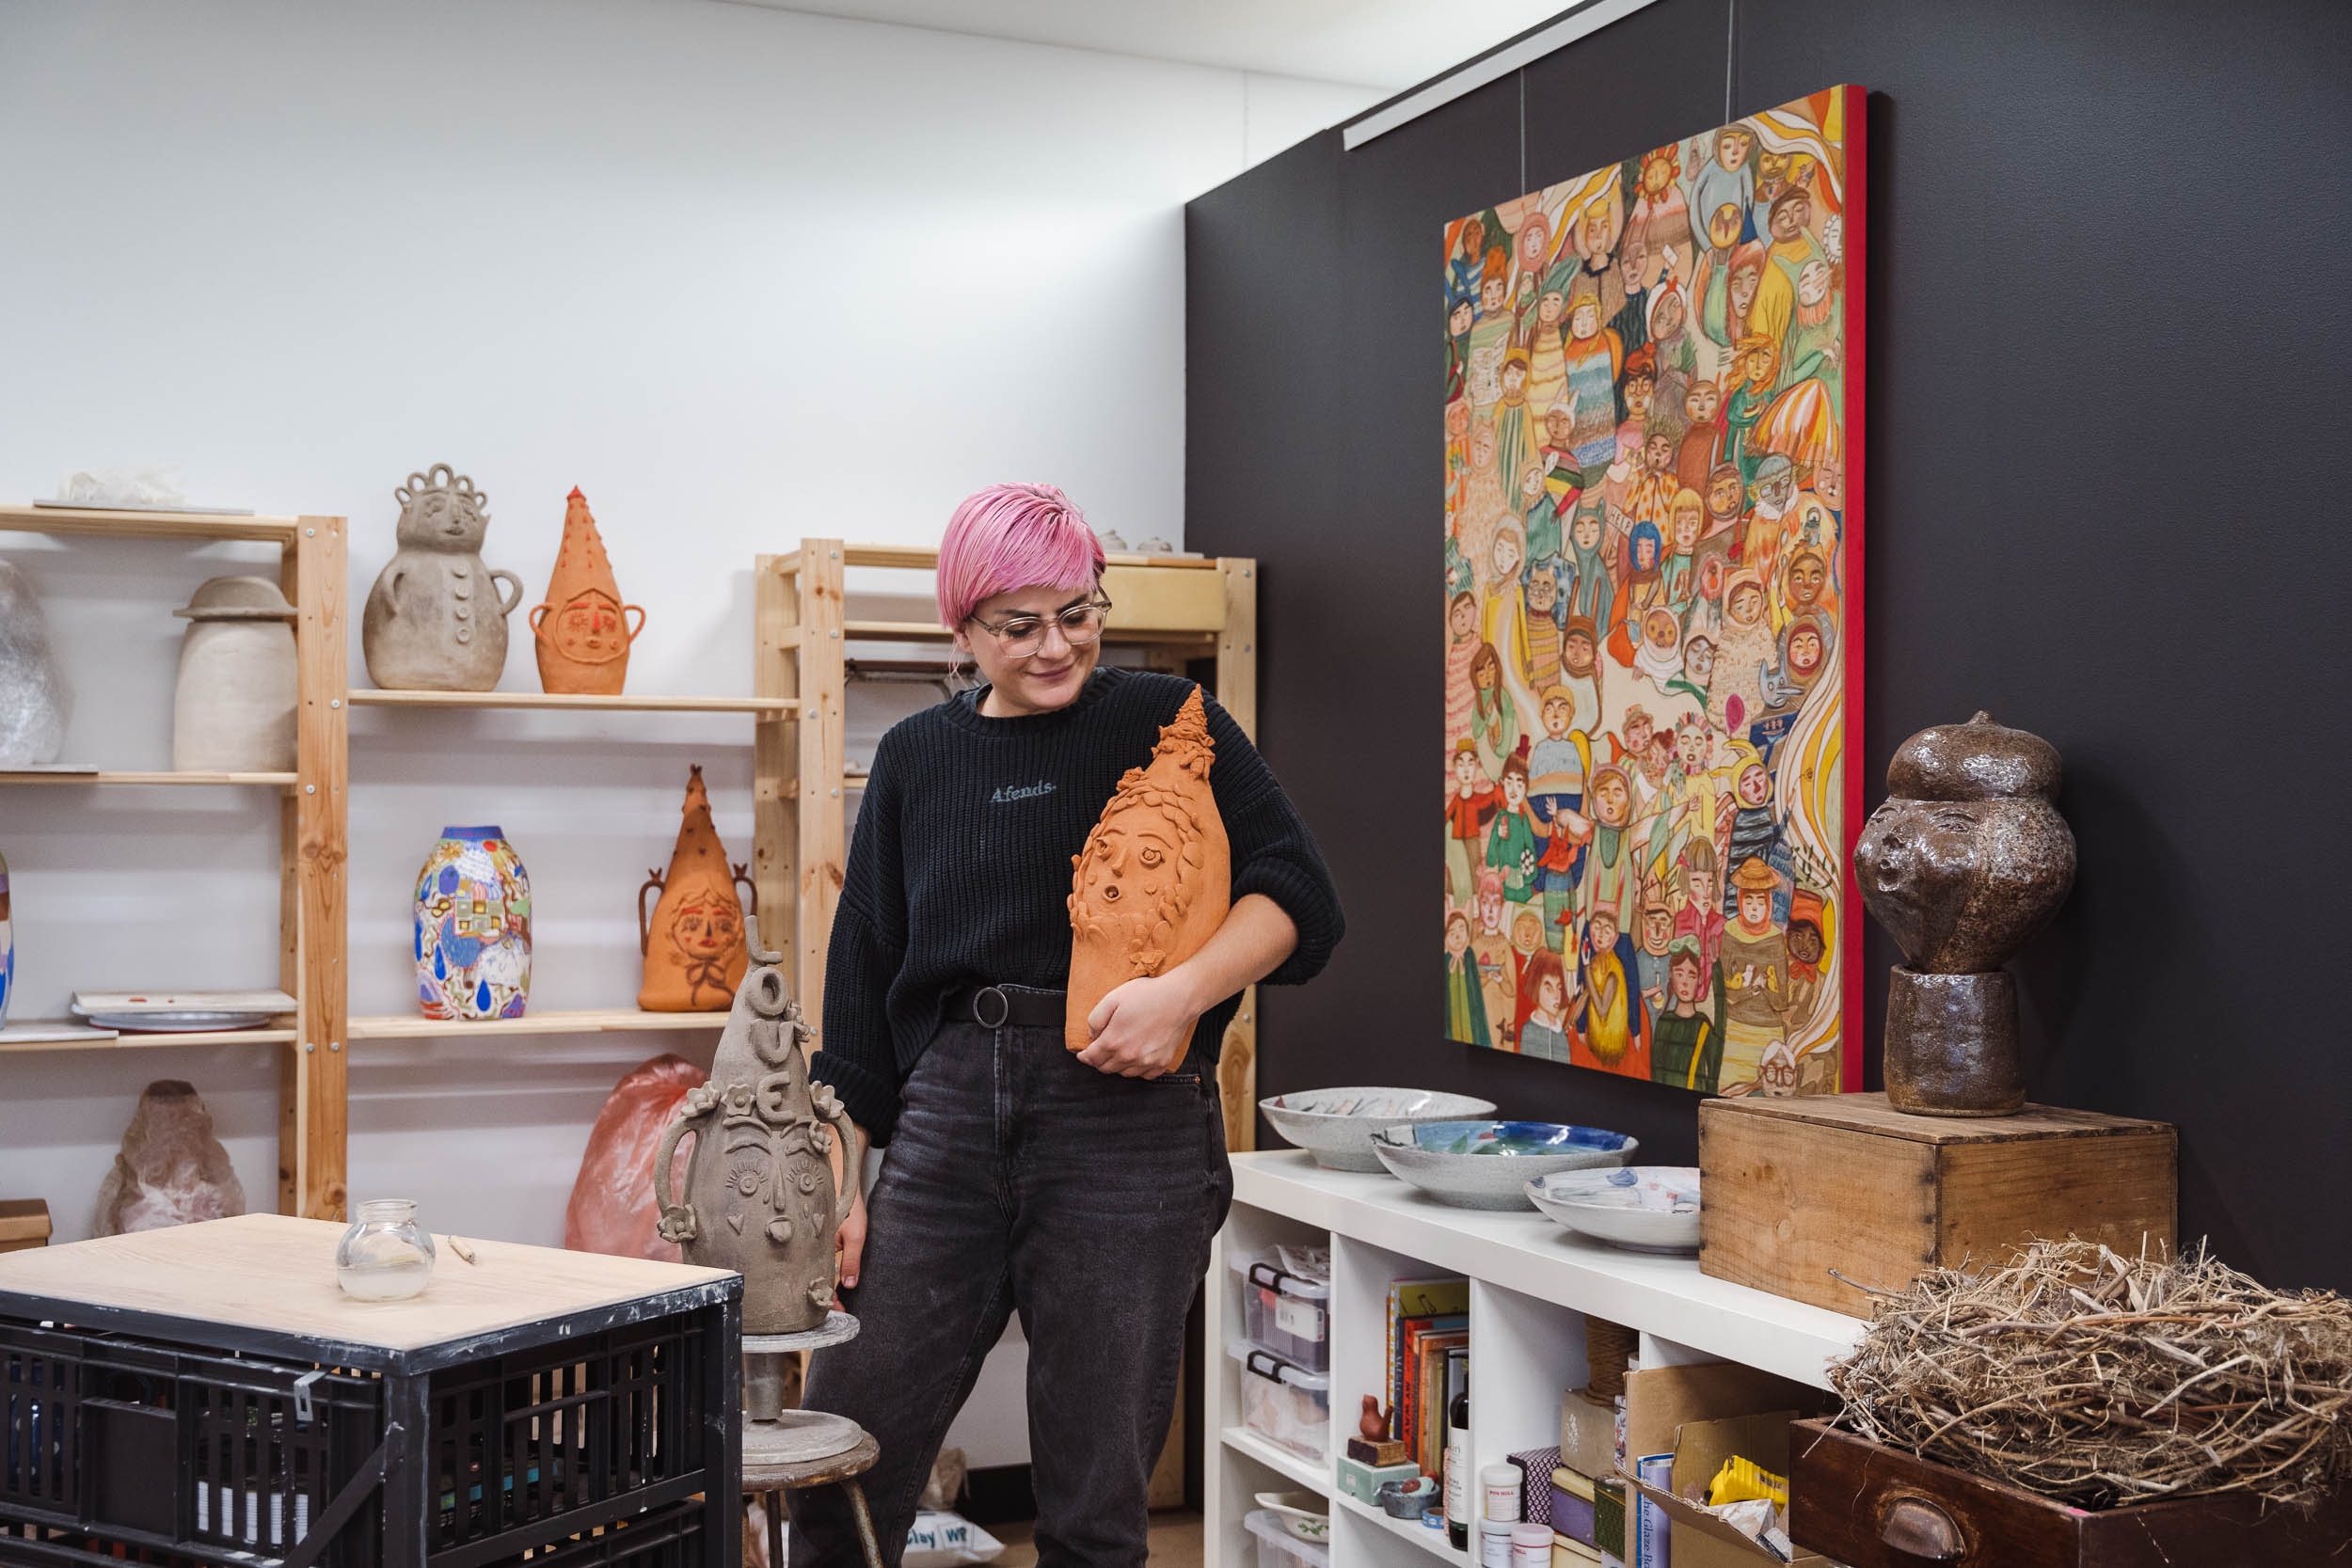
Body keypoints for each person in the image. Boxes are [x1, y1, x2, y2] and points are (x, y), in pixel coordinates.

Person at [794, 483, 1344, 1568]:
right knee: (840, 1461)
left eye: (1077, 611)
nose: (1057, 645)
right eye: (1018, 624)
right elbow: (859, 986)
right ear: (962, 627)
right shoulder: (915, 757)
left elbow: (1301, 896)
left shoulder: (1163, 721)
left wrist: (1183, 993)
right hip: (946, 1112)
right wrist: (838, 1181)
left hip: (1125, 1123)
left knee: (1095, 1508)